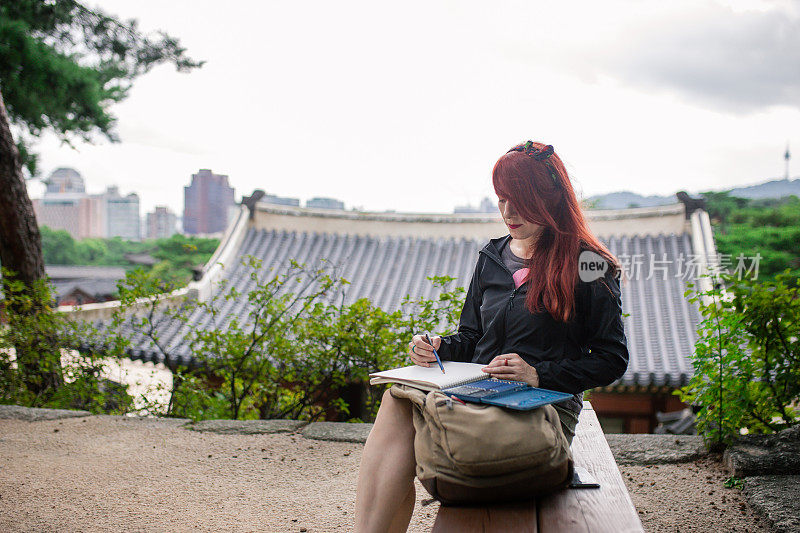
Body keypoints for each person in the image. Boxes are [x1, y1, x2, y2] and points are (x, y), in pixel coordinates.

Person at [354, 141, 629, 533]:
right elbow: (472, 336)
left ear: (549, 197)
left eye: (519, 200)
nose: (508, 212)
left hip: (542, 405)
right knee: (395, 401)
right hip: (477, 390)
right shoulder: (493, 256)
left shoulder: (589, 263)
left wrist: (538, 373)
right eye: (501, 200)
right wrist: (439, 349)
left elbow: (611, 358)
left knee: (410, 423)